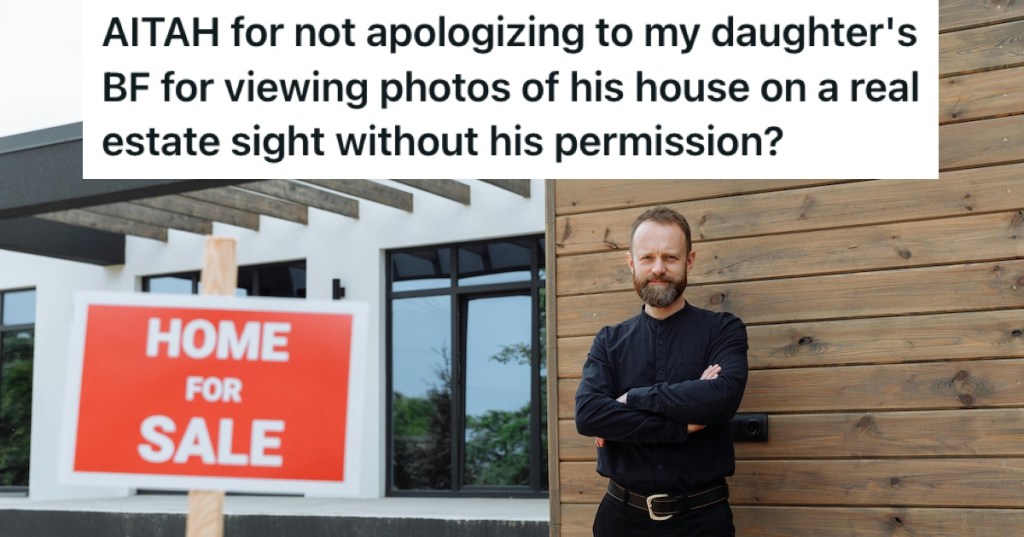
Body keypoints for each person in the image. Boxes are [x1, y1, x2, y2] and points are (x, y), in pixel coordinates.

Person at [574, 206, 749, 536]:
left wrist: (628, 400)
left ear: (689, 261)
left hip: (701, 520)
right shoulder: (609, 341)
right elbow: (588, 415)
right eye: (647, 258)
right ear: (631, 263)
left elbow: (722, 398)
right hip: (620, 521)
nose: (658, 269)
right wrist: (685, 422)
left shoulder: (723, 330)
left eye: (670, 257)